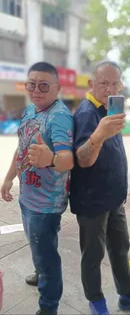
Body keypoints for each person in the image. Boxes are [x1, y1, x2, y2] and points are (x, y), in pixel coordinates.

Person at [69, 60, 130, 315]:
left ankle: (126, 294)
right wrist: (99, 134)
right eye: (103, 83)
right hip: (92, 202)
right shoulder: (86, 114)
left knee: (120, 248)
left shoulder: (110, 110)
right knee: (93, 255)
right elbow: (82, 159)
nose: (109, 88)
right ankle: (96, 302)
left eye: (115, 83)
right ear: (91, 84)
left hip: (114, 197)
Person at [1, 62, 74, 315]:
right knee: (36, 245)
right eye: (31, 84)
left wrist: (51, 159)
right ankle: (40, 270)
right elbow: (21, 148)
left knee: (47, 255)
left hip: (46, 205)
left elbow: (68, 158)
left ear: (57, 87)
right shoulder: (30, 110)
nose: (36, 90)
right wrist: (10, 177)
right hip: (28, 196)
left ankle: (48, 307)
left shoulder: (59, 117)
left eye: (44, 85)